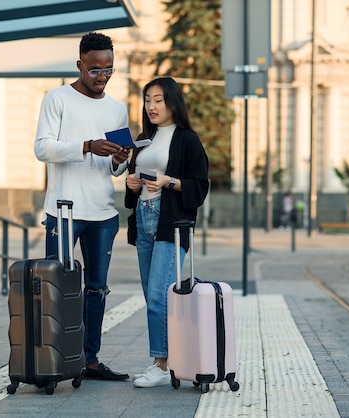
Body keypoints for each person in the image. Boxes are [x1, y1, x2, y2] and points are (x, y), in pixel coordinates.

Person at [34, 32, 130, 381]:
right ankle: (54, 358)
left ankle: (90, 359)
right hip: (64, 211)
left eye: (108, 70)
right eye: (94, 70)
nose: (101, 77)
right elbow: (43, 148)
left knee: (97, 289)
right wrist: (88, 145)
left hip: (103, 213)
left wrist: (120, 158)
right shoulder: (57, 99)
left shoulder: (117, 109)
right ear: (79, 65)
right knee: (56, 286)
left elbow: (117, 167)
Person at [124, 77, 209, 388]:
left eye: (158, 100)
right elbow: (136, 181)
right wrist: (132, 183)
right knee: (152, 296)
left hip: (170, 222)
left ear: (173, 103)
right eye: (147, 100)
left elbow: (199, 187)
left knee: (160, 295)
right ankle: (170, 359)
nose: (151, 106)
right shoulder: (144, 139)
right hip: (144, 219)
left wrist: (167, 181)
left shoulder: (187, 140)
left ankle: (160, 364)